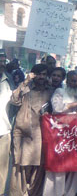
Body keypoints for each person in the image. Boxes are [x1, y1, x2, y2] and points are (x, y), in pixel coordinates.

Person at [43, 70, 77, 196]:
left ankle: (70, 193)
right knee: (58, 168)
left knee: (75, 168)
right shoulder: (60, 92)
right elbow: (57, 110)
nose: (75, 83)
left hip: (75, 138)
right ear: (67, 81)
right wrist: (75, 105)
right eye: (72, 81)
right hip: (59, 136)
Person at [10, 64, 54, 196]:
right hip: (24, 133)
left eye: (44, 74)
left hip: (42, 134)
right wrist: (26, 81)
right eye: (38, 74)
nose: (41, 77)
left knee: (39, 166)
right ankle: (19, 193)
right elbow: (14, 100)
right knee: (21, 165)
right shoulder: (26, 89)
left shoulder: (51, 91)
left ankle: (33, 193)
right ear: (33, 75)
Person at [0, 49, 15, 196]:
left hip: (3, 131)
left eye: (3, 61)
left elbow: (15, 104)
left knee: (2, 170)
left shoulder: (9, 80)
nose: (1, 63)